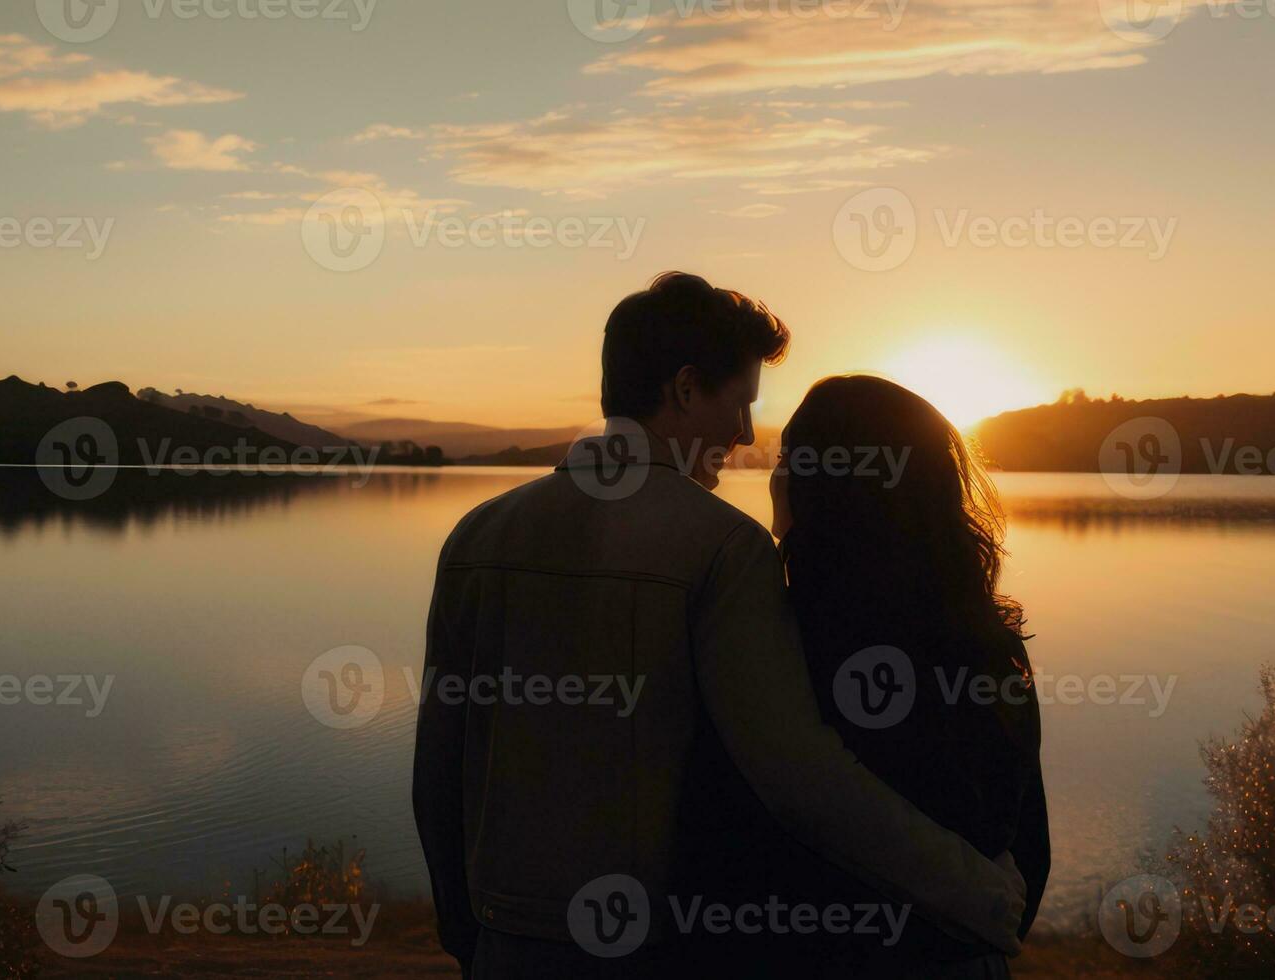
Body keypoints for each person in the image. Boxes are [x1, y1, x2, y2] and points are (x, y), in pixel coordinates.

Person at [413, 273, 1026, 978]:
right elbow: (795, 775)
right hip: (649, 947)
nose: (743, 436)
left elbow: (439, 769)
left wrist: (463, 931)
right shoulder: (723, 547)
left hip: (505, 942)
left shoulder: (477, 535)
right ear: (682, 389)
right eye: (739, 405)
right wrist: (973, 891)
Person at [765, 375, 1050, 978]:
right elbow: (1030, 848)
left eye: (789, 459)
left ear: (831, 486)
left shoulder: (790, 639)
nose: (775, 476)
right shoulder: (985, 642)